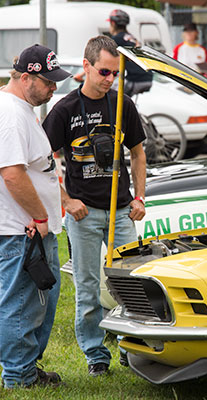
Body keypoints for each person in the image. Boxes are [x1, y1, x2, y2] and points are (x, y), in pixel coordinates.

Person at [43, 35, 146, 377]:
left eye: (115, 73)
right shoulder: (65, 109)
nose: (109, 79)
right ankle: (95, 355)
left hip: (121, 211)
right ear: (86, 66)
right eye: (104, 71)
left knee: (130, 283)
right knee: (88, 287)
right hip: (84, 213)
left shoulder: (122, 105)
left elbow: (138, 152)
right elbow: (40, 161)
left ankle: (133, 348)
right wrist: (66, 201)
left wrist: (140, 197)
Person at [0, 44, 71, 388]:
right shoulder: (11, 113)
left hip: (31, 228)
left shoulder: (22, 107)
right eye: (48, 81)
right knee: (21, 304)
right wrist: (40, 216)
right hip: (22, 229)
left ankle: (26, 368)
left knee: (39, 300)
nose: (54, 88)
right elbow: (12, 173)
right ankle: (18, 376)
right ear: (25, 77)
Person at [108, 9, 153, 96]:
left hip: (135, 79)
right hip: (147, 77)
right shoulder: (131, 38)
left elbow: (100, 58)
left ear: (113, 23)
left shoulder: (116, 39)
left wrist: (82, 74)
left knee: (111, 100)